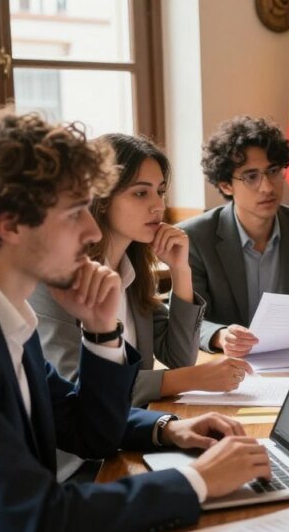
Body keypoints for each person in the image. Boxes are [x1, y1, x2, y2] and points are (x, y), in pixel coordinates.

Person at [0, 110, 271, 532]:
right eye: (75, 212)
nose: (93, 230)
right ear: (9, 224)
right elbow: (36, 523)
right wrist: (197, 481)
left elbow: (86, 432)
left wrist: (160, 418)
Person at [31, 134, 249, 409]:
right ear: (103, 198)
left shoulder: (132, 274)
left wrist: (180, 270)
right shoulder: (53, 281)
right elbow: (77, 387)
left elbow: (179, 357)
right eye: (140, 193)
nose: (158, 206)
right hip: (87, 450)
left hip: (136, 429)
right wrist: (187, 380)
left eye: (160, 191)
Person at [179, 116, 289, 356]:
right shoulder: (195, 236)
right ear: (226, 186)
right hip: (226, 366)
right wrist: (220, 335)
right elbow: (189, 320)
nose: (267, 187)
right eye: (251, 176)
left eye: (273, 171)